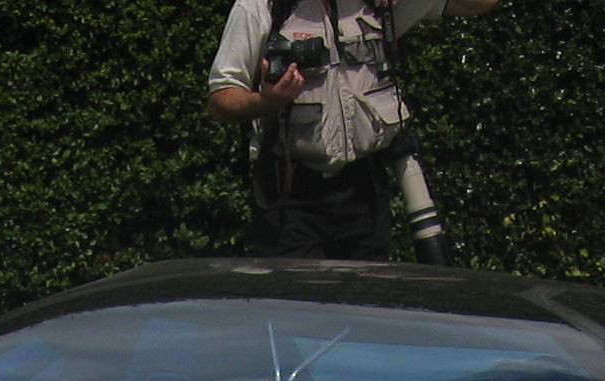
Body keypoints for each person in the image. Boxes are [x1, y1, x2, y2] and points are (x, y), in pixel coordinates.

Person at [207, 0, 498, 262]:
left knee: (365, 311)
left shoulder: (379, 4)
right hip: (291, 197)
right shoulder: (261, 7)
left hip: (365, 194)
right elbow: (221, 99)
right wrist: (266, 101)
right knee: (301, 313)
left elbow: (480, 4)